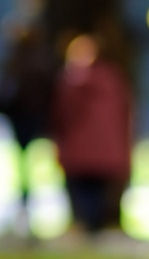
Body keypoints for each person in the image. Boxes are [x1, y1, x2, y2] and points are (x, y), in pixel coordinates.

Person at [50, 34, 131, 236]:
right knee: (96, 195)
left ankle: (90, 228)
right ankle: (96, 228)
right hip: (104, 151)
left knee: (86, 195)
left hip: (79, 151)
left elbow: (61, 115)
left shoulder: (71, 82)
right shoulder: (112, 78)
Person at [0, 24, 57, 238]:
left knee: (26, 167)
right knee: (30, 167)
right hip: (34, 121)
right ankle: (25, 209)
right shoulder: (40, 61)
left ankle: (25, 208)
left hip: (23, 119)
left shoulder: (16, 62)